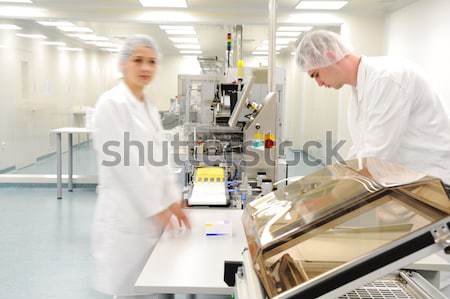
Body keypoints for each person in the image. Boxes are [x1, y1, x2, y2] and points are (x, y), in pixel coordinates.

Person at [91, 35, 191, 299]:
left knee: (157, 285)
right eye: (138, 60)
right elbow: (126, 167)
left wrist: (173, 201)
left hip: (152, 216)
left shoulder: (146, 104)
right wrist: (157, 208)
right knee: (131, 290)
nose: (146, 68)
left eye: (152, 62)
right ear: (123, 64)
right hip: (127, 216)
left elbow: (160, 159)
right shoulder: (112, 104)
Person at [295, 30, 450, 197]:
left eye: (316, 74)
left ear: (330, 56)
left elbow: (377, 156)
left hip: (436, 185)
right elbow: (361, 149)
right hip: (407, 183)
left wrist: (330, 198)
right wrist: (333, 182)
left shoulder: (387, 78)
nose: (319, 83)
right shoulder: (360, 90)